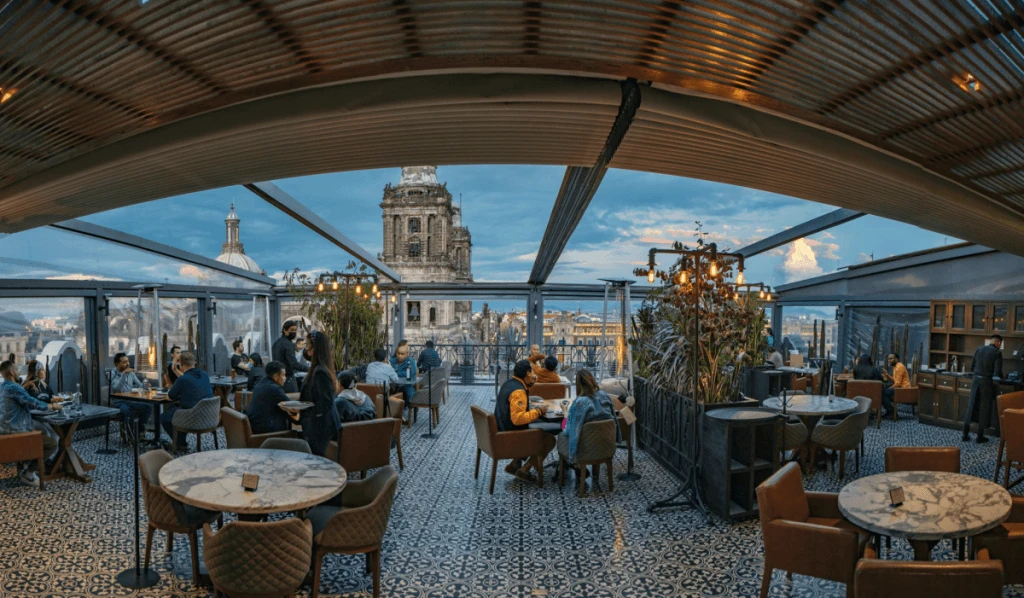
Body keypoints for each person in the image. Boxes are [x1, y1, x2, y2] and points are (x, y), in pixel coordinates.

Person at [0, 360, 59, 485]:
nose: (18, 372)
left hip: (3, 431)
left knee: (41, 431)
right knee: (52, 444)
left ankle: (27, 465)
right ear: (11, 372)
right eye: (16, 369)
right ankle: (29, 473)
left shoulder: (2, 387)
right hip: (16, 433)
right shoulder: (14, 387)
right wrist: (53, 406)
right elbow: (34, 403)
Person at [495, 359, 553, 481]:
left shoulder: (509, 383)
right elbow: (518, 419)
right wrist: (538, 411)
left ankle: (515, 464)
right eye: (531, 372)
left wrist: (530, 384)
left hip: (502, 428)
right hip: (511, 436)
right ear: (527, 373)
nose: (533, 374)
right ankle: (524, 470)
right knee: (549, 439)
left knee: (536, 427)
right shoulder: (518, 392)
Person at [562, 369, 620, 464]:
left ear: (578, 385)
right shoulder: (604, 396)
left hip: (586, 449)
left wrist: (565, 412)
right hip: (606, 446)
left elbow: (567, 430)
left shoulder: (580, 403)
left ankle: (574, 467)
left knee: (559, 435)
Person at [299, 331, 341, 457]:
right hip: (319, 426)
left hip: (320, 428)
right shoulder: (320, 368)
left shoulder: (320, 372)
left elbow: (325, 402)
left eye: (307, 345)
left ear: (314, 349)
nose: (305, 349)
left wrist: (308, 417)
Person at [161, 351, 213, 452]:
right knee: (179, 411)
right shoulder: (204, 374)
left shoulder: (183, 380)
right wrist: (175, 369)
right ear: (194, 363)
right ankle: (181, 443)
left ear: (181, 364)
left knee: (165, 417)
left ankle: (180, 444)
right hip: (210, 416)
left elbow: (171, 396)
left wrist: (174, 366)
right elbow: (187, 379)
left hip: (193, 417)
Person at [963, 334, 1003, 443]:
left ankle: (965, 434)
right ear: (998, 342)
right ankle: (979, 437)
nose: (999, 346)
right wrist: (1003, 377)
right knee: (983, 408)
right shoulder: (997, 352)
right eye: (1000, 344)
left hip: (975, 381)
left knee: (971, 406)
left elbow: (971, 366)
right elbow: (998, 372)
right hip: (986, 382)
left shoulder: (979, 349)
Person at [246, 360, 293, 434]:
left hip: (255, 426)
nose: (285, 378)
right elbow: (291, 407)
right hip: (266, 431)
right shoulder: (274, 388)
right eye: (283, 375)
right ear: (275, 376)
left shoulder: (262, 382)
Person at [110, 352, 152, 427]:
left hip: (130, 400)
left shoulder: (131, 373)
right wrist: (123, 374)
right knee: (127, 411)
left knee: (147, 407)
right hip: (118, 402)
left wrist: (145, 386)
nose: (128, 364)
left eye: (128, 361)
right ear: (117, 363)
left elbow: (139, 385)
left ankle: (139, 432)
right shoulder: (112, 374)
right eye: (124, 362)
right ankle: (130, 437)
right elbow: (117, 390)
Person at [272, 320, 308, 392]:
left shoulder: (276, 343)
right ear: (285, 330)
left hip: (277, 379)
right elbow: (294, 364)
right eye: (291, 330)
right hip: (288, 379)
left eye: (295, 330)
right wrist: (309, 369)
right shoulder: (288, 344)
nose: (294, 332)